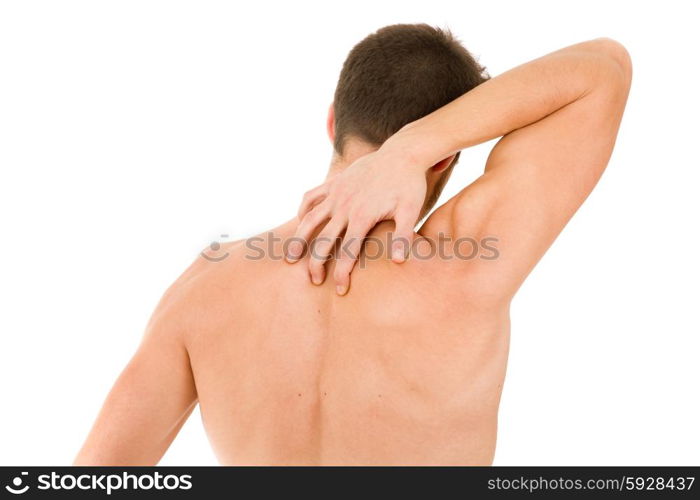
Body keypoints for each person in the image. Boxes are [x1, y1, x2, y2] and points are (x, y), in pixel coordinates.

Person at [75, 24, 631, 465]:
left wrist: (400, 150)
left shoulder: (208, 283)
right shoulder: (469, 260)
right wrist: (413, 149)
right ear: (448, 157)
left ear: (333, 122)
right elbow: (604, 66)